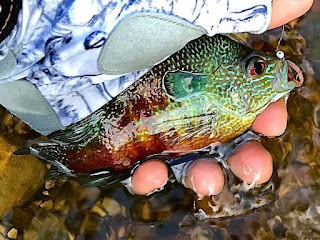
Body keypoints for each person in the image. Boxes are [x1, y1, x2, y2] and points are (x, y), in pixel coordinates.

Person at [0, 0, 314, 197]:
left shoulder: (240, 112)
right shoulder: (228, 93)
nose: (270, 71)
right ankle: (63, 159)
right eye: (257, 68)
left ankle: (66, 160)